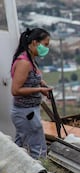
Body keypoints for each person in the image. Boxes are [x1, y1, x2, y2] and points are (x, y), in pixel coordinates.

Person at [10, 28, 52, 159]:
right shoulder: (24, 63)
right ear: (35, 42)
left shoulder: (30, 59)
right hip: (26, 113)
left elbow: (31, 79)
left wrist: (42, 83)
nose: (46, 48)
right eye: (45, 44)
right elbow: (15, 90)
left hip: (28, 111)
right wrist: (40, 90)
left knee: (20, 146)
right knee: (37, 149)